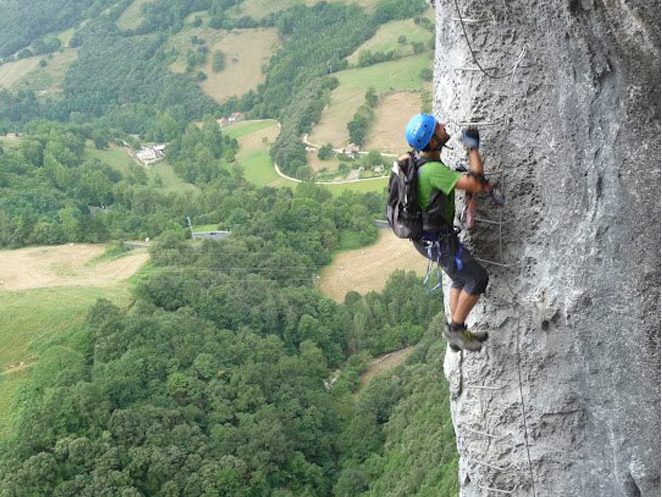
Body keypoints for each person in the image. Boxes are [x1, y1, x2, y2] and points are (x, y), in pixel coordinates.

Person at [404, 113, 496, 352]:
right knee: (477, 279)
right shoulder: (433, 170)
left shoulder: (422, 164)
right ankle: (455, 330)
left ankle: (456, 331)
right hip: (439, 241)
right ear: (433, 140)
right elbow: (476, 184)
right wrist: (472, 148)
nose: (444, 126)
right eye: (438, 127)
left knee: (458, 278)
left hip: (429, 240)